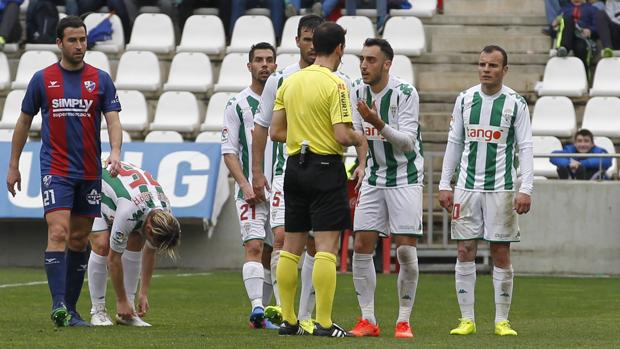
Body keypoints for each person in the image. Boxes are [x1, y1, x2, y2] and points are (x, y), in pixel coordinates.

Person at [251, 14, 366, 333]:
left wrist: (302, 136)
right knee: (326, 247)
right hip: (326, 167)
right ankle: (324, 323)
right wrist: (359, 139)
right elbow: (343, 135)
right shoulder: (337, 83)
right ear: (340, 48)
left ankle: (288, 320)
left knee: (291, 246)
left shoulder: (291, 80)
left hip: (293, 168)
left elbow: (275, 131)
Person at [6, 15, 122, 327]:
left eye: (83, 40)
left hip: (88, 171)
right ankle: (58, 304)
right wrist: (13, 165)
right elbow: (22, 122)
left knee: (79, 238)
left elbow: (112, 119)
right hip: (55, 169)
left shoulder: (100, 79)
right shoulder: (43, 79)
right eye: (73, 40)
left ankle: (70, 310)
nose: (79, 45)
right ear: (59, 43)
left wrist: (114, 150)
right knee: (58, 232)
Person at [438, 45, 534, 337]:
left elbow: (526, 146)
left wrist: (525, 188)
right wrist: (445, 183)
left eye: (492, 65)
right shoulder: (465, 99)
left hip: (502, 189)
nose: (485, 70)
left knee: (500, 252)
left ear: (504, 70)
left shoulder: (515, 103)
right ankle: (466, 319)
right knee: (465, 249)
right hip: (466, 188)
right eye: (482, 64)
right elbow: (454, 142)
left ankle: (501, 320)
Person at [348, 38, 423, 339]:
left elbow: (407, 143)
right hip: (374, 177)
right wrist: (362, 164)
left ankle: (403, 320)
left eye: (371, 60)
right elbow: (359, 136)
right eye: (362, 59)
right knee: (361, 246)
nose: (364, 65)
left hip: (405, 176)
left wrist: (377, 122)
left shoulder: (405, 93)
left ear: (387, 64)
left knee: (405, 250)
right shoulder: (355, 90)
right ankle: (368, 319)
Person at [221, 42, 279, 329]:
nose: (264, 65)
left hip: (279, 188)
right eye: (259, 60)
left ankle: (266, 313)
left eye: (269, 60)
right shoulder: (237, 104)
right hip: (250, 191)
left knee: (274, 251)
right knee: (254, 245)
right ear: (249, 66)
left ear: (276, 65)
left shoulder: (284, 101)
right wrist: (244, 184)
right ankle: (257, 308)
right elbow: (228, 151)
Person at [87, 161, 181, 326]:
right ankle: (98, 310)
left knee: (137, 238)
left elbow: (150, 251)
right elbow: (113, 259)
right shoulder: (128, 212)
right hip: (94, 184)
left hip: (129, 196)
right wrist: (120, 299)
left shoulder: (165, 214)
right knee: (102, 244)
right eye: (152, 238)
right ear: (150, 228)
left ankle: (128, 314)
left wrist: (143, 293)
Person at [554, 0, 598, 69]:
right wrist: (554, 25)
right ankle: (564, 48)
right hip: (566, 37)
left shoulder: (592, 9)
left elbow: (598, 27)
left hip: (582, 37)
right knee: (567, 19)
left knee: (580, 48)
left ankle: (584, 74)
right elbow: (554, 29)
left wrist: (590, 30)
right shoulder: (564, 9)